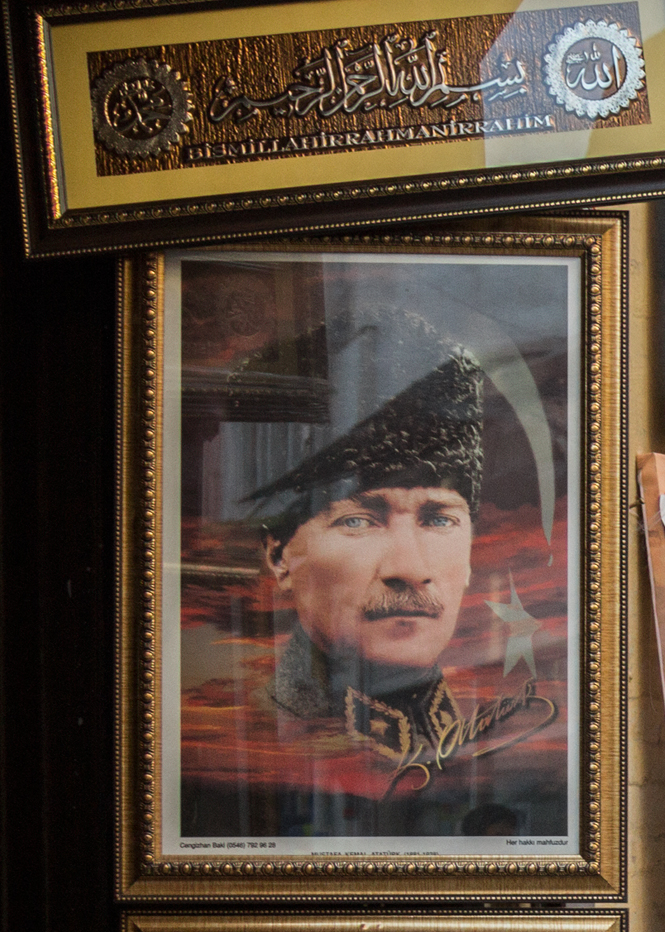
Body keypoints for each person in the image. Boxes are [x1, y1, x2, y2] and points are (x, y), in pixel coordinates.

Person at [182, 319, 559, 837]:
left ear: (472, 552)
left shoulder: (515, 751)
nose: (410, 568)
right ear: (278, 556)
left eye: (439, 518)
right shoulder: (222, 745)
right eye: (358, 520)